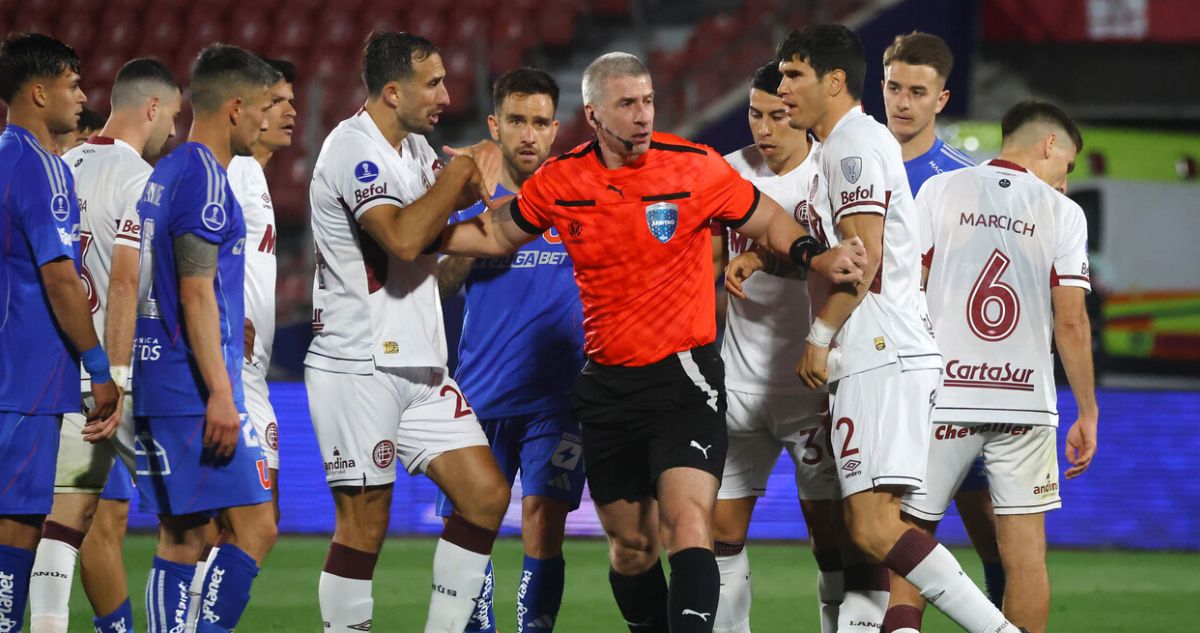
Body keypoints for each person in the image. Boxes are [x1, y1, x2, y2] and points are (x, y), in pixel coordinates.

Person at [434, 51, 867, 633]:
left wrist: (818, 254)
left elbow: (764, 219)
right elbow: (495, 236)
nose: (643, 116)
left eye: (649, 102)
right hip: (606, 387)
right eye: (627, 104)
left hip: (683, 377)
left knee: (689, 525)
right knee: (632, 549)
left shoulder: (693, 167)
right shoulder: (561, 182)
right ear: (593, 114)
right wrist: (409, 229)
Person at [764, 24, 1024, 633]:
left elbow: (864, 253)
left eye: (793, 75)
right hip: (888, 352)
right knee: (869, 530)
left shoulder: (853, 144)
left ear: (833, 82)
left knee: (874, 528)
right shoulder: (845, 144)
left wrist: (819, 336)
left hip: (881, 352)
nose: (782, 89)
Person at [305, 31, 511, 633]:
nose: (448, 93)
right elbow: (400, 236)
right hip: (358, 362)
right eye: (434, 83)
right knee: (364, 526)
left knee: (485, 495)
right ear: (392, 92)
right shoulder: (352, 148)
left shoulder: (418, 152)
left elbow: (451, 234)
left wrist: (524, 204)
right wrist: (464, 171)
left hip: (421, 364)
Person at [891, 100, 1098, 633]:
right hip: (1025, 404)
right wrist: (1088, 412)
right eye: (1067, 166)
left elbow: (904, 285)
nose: (1065, 182)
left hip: (944, 396)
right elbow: (1070, 322)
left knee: (907, 538)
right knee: (1025, 555)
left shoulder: (938, 191)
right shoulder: (1063, 214)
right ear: (1049, 145)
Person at [28, 56, 182, 633]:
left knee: (65, 522)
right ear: (153, 107)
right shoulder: (141, 181)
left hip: (63, 370)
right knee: (196, 521)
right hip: (124, 377)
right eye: (174, 115)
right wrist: (114, 373)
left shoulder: (60, 167)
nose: (174, 130)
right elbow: (127, 280)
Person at [133, 44, 280, 633]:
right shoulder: (207, 180)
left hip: (160, 380)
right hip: (191, 388)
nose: (269, 121)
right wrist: (221, 393)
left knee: (184, 535)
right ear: (237, 108)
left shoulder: (166, 172)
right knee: (255, 527)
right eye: (265, 107)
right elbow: (195, 292)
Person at [433, 67, 585, 633]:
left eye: (540, 122)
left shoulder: (576, 196)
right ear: (495, 125)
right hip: (478, 394)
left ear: (554, 129)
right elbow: (440, 283)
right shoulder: (467, 195)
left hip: (558, 397)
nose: (528, 134)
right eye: (517, 121)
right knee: (473, 526)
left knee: (543, 520)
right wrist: (483, 235)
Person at [879, 31, 1008, 621]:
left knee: (991, 534)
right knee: (887, 536)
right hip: (880, 379)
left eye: (917, 91)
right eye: (893, 87)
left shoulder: (967, 182)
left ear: (942, 99)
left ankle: (1004, 615)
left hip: (954, 386)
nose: (902, 101)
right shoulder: (857, 164)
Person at [711, 61, 841, 633]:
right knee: (719, 534)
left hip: (812, 385)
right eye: (755, 115)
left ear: (802, 116)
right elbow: (707, 271)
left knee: (831, 539)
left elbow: (844, 272)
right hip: (737, 382)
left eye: (777, 116)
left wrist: (765, 256)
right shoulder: (726, 173)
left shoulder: (829, 176)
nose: (764, 129)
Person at [0, 31, 119, 633]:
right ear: (39, 91)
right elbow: (61, 281)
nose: (82, 95)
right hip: (24, 383)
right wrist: (99, 369)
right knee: (17, 526)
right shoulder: (42, 169)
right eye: (73, 85)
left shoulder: (2, 158)